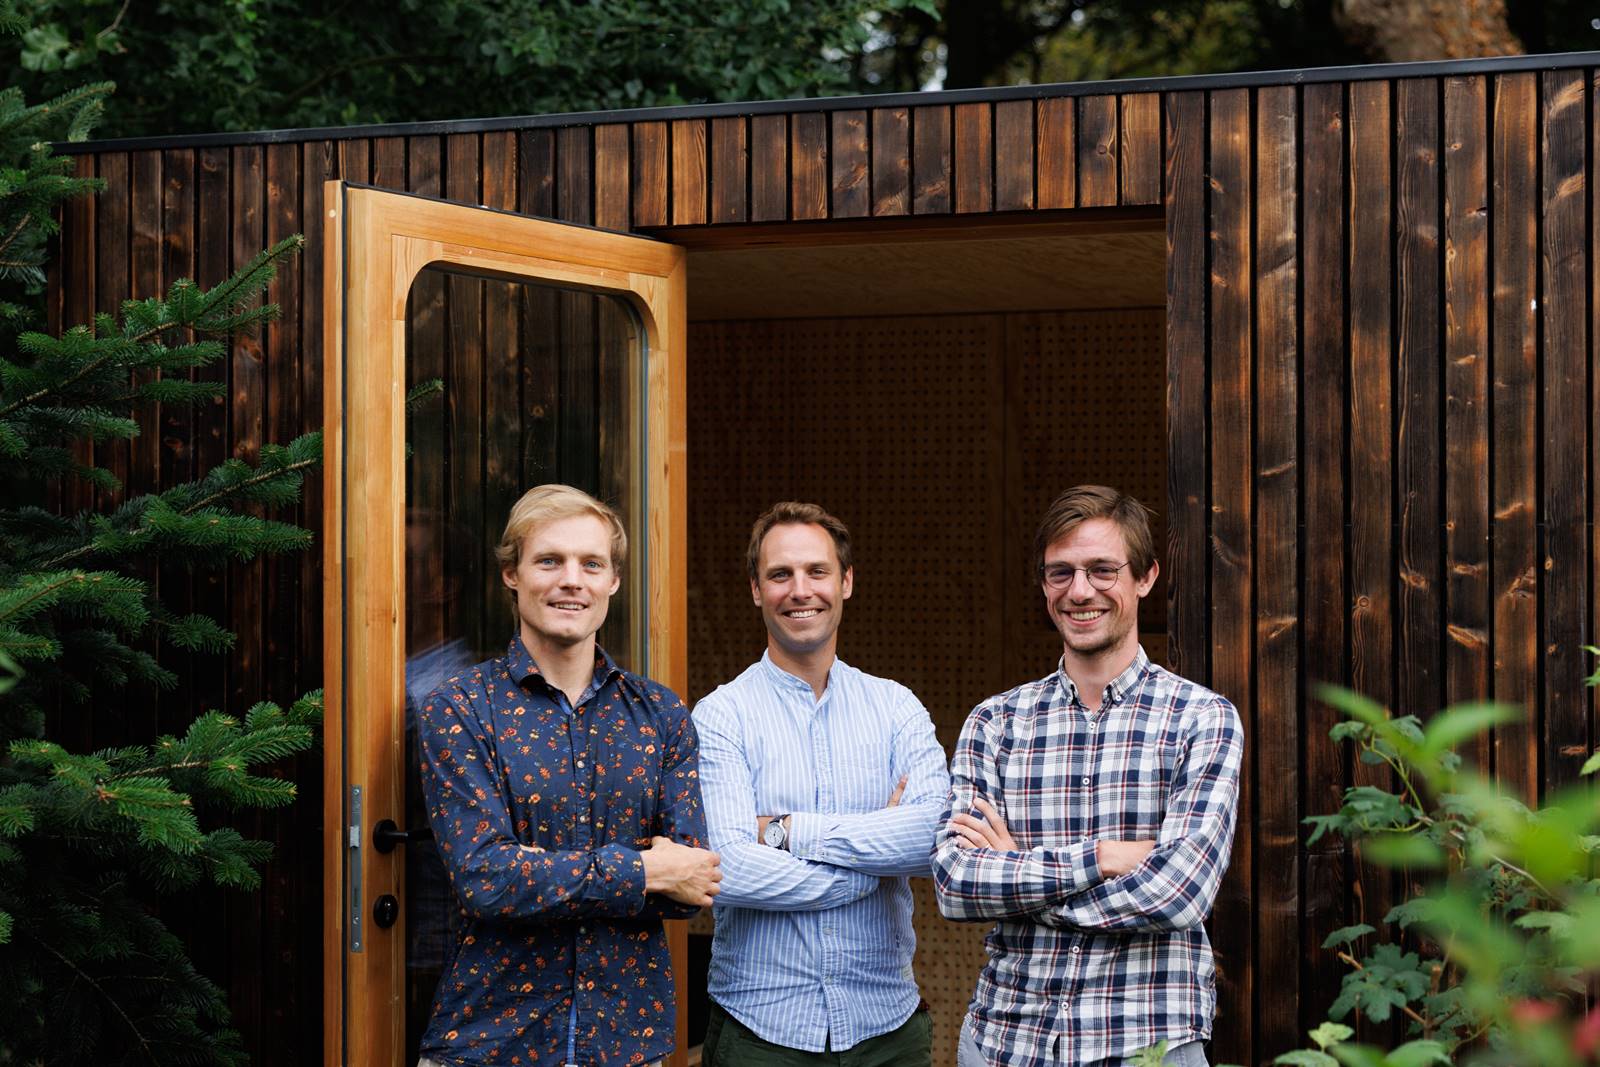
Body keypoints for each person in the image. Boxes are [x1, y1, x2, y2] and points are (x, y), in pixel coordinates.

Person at [933, 486, 1243, 1067]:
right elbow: (956, 884)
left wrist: (1020, 878)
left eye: (1102, 570)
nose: (1079, 591)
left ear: (1145, 578)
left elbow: (1180, 894)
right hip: (1005, 1042)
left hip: (1148, 1043)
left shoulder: (1201, 718)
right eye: (1061, 572)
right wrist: (1103, 857)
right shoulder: (996, 722)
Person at [415, 484, 721, 1067]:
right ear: (512, 574)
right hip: (493, 1041)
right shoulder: (460, 708)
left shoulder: (661, 714)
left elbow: (691, 885)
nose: (572, 580)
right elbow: (487, 879)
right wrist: (642, 870)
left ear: (614, 581)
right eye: (550, 561)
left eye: (591, 564)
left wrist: (545, 873)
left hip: (627, 1041)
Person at [692, 501, 952, 1066]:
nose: (800, 590)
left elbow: (934, 838)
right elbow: (726, 867)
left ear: (846, 582)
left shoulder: (896, 708)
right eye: (780, 575)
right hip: (761, 1035)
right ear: (756, 590)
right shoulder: (720, 716)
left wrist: (785, 831)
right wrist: (870, 864)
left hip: (888, 1033)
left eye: (817, 571)